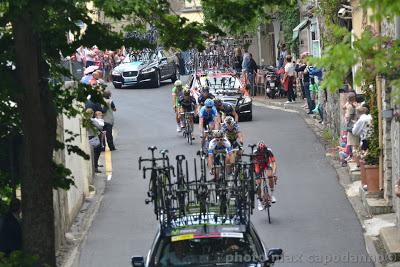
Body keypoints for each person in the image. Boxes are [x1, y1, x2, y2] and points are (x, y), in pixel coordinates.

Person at [253, 142, 277, 209]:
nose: (262, 152)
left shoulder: (268, 151)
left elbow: (274, 162)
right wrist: (256, 177)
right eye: (261, 151)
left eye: (263, 151)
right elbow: (254, 166)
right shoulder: (255, 153)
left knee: (270, 175)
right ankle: (259, 202)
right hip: (258, 166)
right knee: (258, 183)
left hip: (266, 165)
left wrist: (274, 173)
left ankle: (272, 195)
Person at [86, 108, 104, 173]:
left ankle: (95, 166)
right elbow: (100, 127)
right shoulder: (92, 120)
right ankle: (95, 167)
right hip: (94, 137)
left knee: (93, 153)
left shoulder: (85, 120)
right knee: (97, 152)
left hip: (89, 137)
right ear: (92, 114)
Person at [343, 92, 359, 158]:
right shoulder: (352, 106)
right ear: (354, 98)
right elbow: (348, 116)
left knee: (353, 145)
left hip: (351, 126)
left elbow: (344, 109)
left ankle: (354, 158)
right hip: (353, 126)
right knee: (354, 145)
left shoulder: (349, 105)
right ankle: (355, 160)